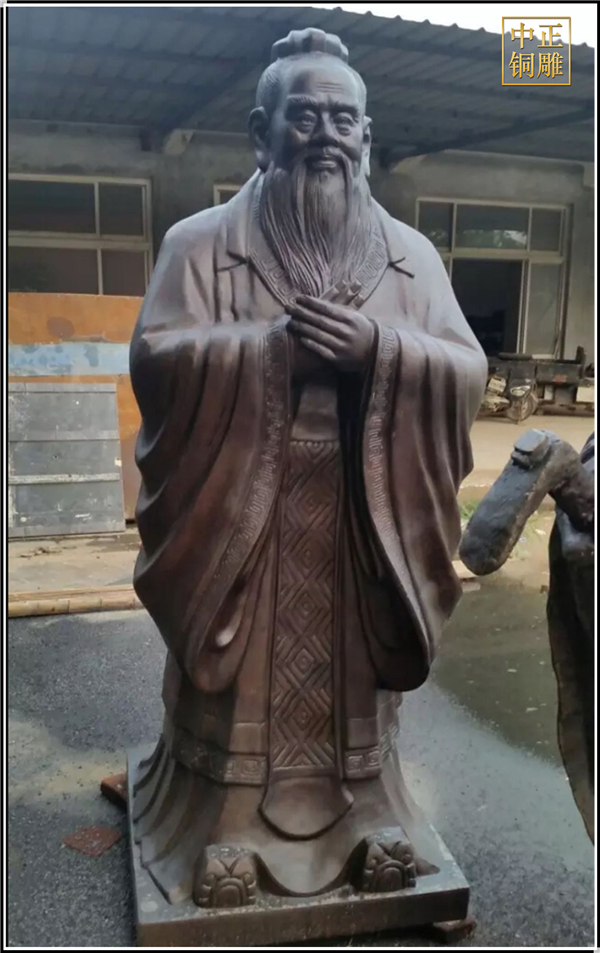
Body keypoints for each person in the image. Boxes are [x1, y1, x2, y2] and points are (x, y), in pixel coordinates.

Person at [130, 27, 487, 905]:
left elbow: (465, 365)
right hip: (243, 506)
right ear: (262, 132)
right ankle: (223, 819)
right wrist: (268, 354)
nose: (325, 136)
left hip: (364, 509)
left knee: (351, 683)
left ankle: (366, 812)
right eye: (304, 117)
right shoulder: (200, 243)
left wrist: (382, 352)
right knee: (242, 681)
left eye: (344, 119)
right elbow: (157, 356)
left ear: (366, 135)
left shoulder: (410, 256)